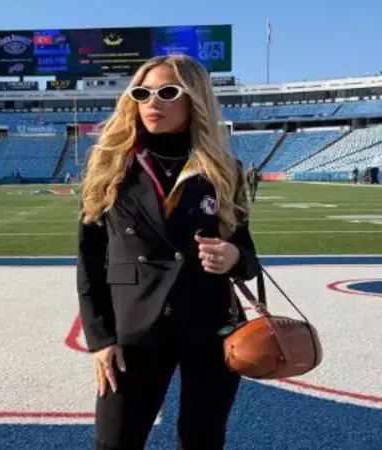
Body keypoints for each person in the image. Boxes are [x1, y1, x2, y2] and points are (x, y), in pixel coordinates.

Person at [76, 55, 260, 450]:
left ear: (195, 100)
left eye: (167, 92)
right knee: (114, 442)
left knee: (202, 441)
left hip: (212, 325)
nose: (152, 102)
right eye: (142, 93)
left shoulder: (225, 169)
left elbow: (248, 256)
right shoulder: (110, 165)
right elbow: (89, 262)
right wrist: (100, 339)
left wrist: (233, 257)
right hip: (134, 329)